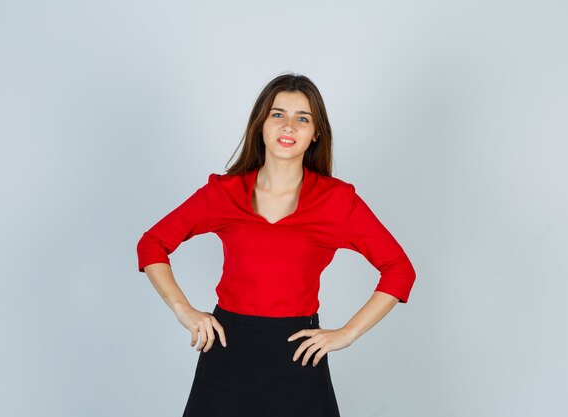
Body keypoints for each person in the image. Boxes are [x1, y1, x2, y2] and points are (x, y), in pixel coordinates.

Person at [136, 73, 417, 417]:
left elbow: (399, 269)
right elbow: (152, 244)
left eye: (302, 118)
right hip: (226, 351)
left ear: (316, 133)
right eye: (277, 114)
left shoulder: (337, 202)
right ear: (261, 125)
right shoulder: (224, 193)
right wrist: (184, 310)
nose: (288, 126)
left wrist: (347, 334)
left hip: (297, 357)